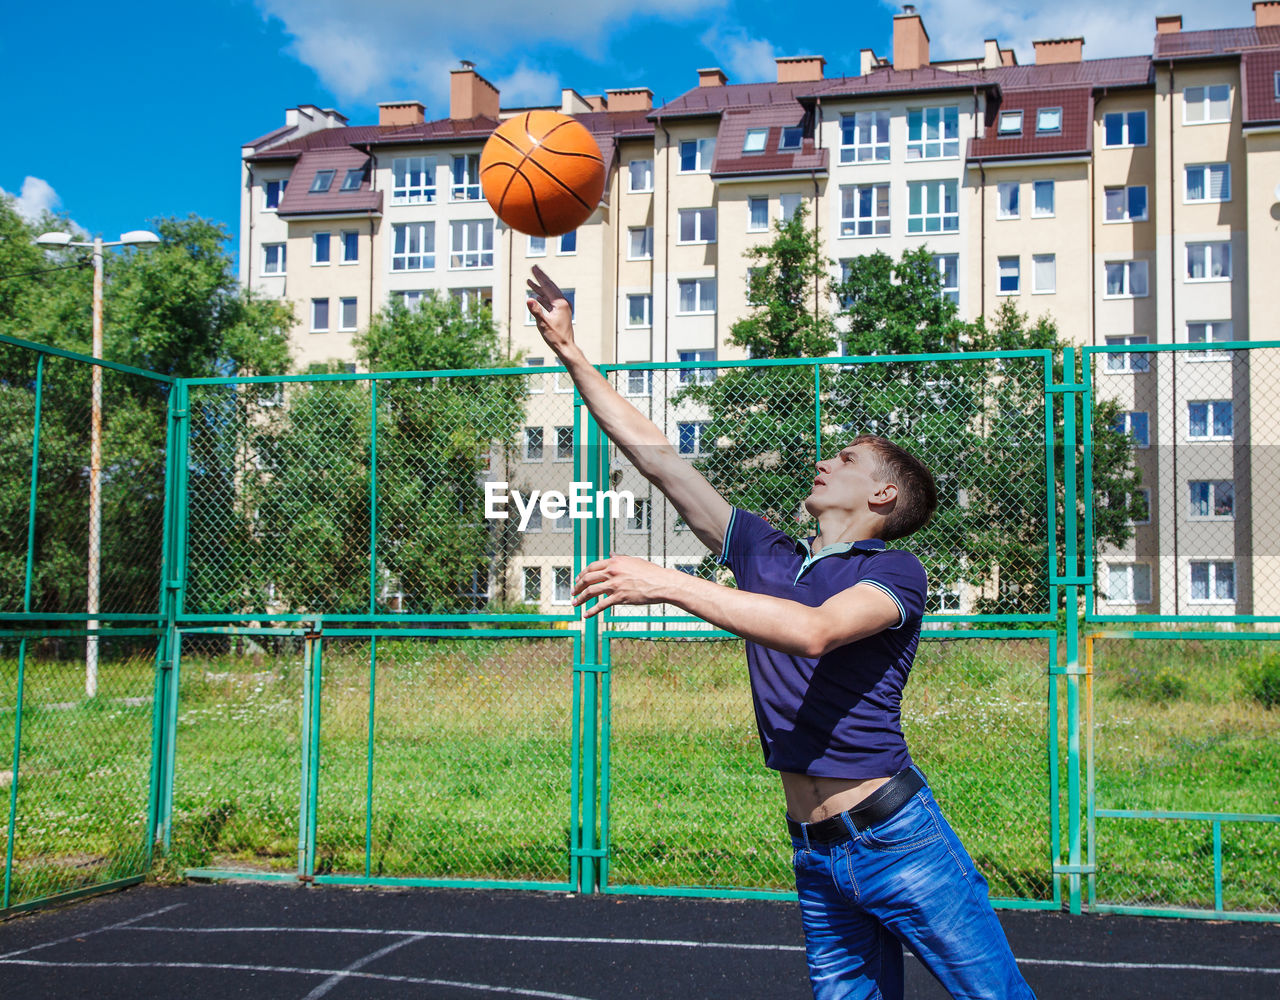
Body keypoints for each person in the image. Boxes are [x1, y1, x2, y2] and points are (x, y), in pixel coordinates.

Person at [525, 265, 1035, 1000]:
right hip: (815, 851)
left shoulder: (894, 572)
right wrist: (572, 352)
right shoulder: (767, 557)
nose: (825, 461)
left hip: (899, 839)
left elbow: (817, 633)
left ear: (882, 494)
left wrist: (666, 582)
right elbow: (660, 459)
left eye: (847, 460)